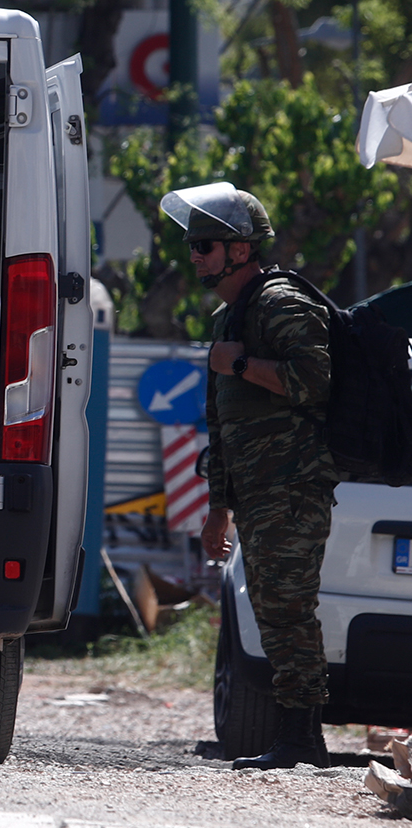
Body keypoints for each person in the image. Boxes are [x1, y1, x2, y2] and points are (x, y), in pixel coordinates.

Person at [162, 181, 337, 770]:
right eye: (192, 245)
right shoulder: (227, 318)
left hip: (293, 486)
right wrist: (218, 508)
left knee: (288, 607)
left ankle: (302, 736)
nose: (194, 256)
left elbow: (315, 381)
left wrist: (238, 361)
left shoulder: (281, 304)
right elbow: (221, 425)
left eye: (205, 245)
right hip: (256, 492)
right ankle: (297, 735)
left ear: (241, 249)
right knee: (269, 607)